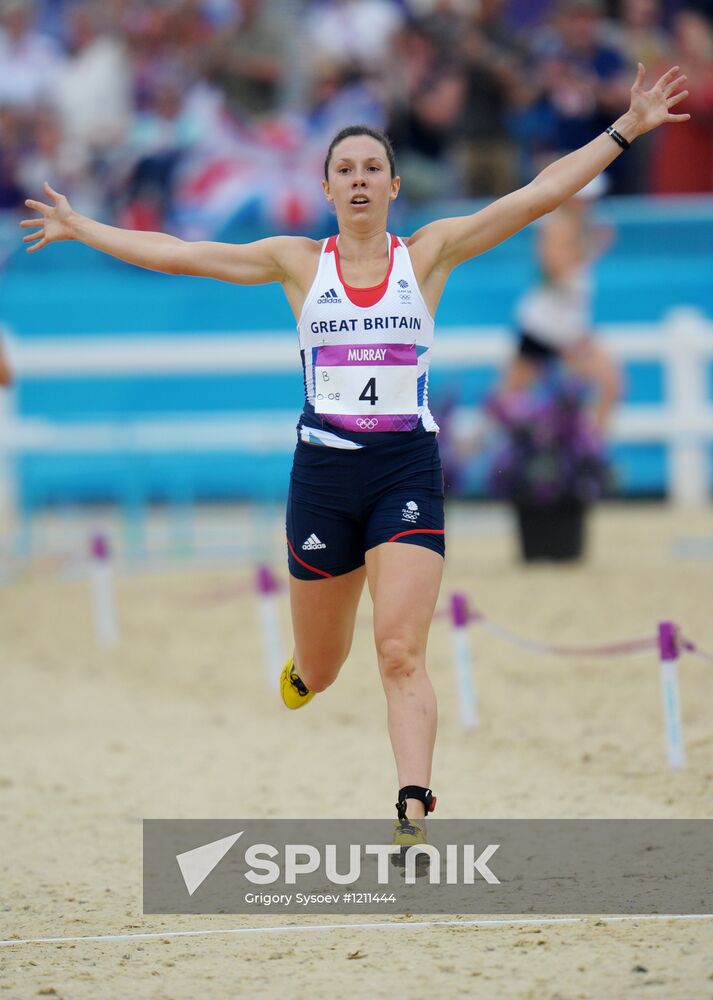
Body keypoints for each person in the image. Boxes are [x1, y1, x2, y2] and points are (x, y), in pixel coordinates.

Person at [20, 63, 688, 852]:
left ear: (394, 186)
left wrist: (625, 129)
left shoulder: (430, 254)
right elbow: (177, 253)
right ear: (328, 189)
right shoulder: (296, 262)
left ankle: (412, 803)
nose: (360, 179)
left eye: (373, 167)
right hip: (323, 478)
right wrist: (83, 226)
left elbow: (537, 194)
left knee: (399, 649)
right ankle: (304, 672)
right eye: (346, 169)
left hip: (404, 470)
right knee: (323, 667)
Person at [501, 175, 620, 432]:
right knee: (507, 401)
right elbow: (554, 267)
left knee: (509, 399)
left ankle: (586, 449)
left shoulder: (578, 225)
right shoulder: (558, 224)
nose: (590, 204)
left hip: (562, 327)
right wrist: (592, 246)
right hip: (548, 328)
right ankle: (586, 450)